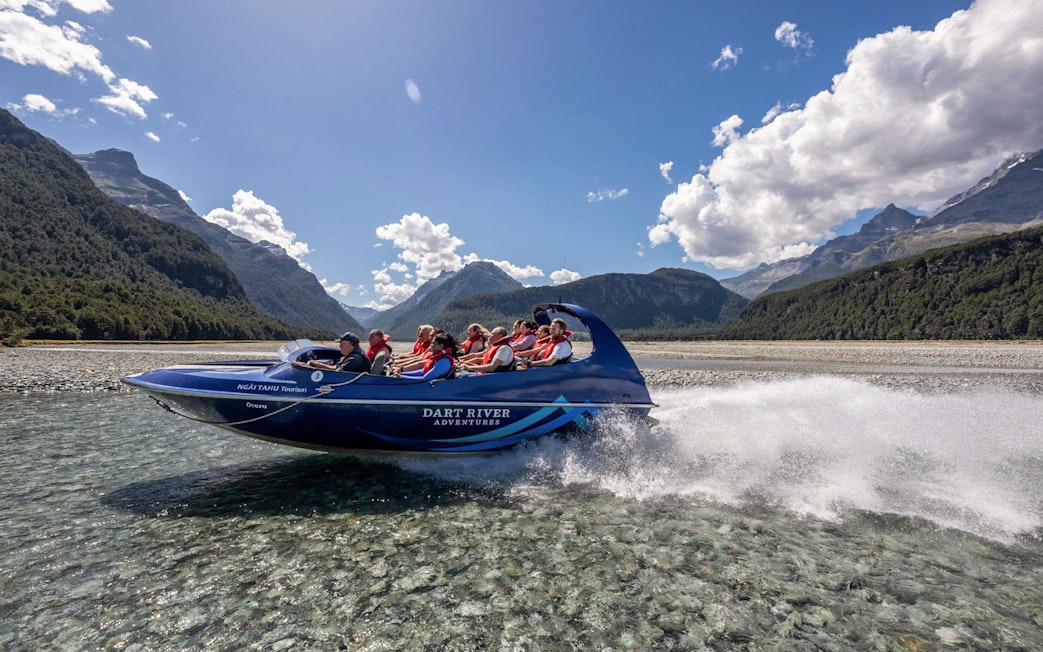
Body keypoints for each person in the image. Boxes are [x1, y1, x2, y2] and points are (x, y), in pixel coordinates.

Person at [302, 332, 371, 373]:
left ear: (349, 343)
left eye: (341, 343)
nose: (339, 346)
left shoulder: (355, 359)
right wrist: (316, 364)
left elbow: (337, 374)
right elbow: (335, 368)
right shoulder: (352, 355)